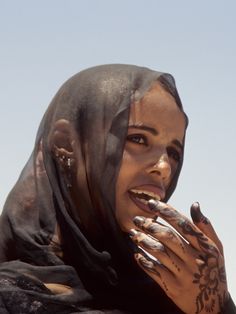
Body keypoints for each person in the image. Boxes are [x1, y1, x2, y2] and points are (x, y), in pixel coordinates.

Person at [0, 64, 235, 314]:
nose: (165, 167)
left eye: (174, 152)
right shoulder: (12, 298)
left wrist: (216, 306)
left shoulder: (178, 296)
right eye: (138, 139)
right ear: (65, 143)